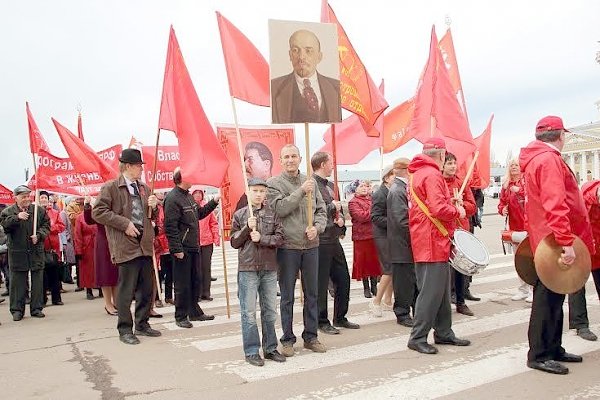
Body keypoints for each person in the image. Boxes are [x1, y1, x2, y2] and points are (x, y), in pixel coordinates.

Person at [519, 115, 594, 375]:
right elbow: (555, 204)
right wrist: (566, 242)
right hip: (553, 241)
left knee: (555, 295)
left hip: (546, 239)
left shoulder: (538, 159)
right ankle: (539, 353)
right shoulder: (548, 160)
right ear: (561, 135)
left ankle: (553, 347)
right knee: (546, 298)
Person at [406, 138, 471, 355]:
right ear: (442, 155)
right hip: (433, 240)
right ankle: (418, 337)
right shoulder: (432, 174)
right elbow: (437, 208)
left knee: (441, 291)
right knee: (431, 292)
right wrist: (457, 211)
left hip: (427, 239)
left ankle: (444, 332)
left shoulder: (417, 173)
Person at [92, 148, 162, 345]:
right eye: (139, 166)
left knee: (146, 288)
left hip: (144, 244)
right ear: (129, 166)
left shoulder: (144, 188)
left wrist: (154, 207)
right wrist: (125, 224)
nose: (141, 169)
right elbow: (99, 212)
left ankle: (142, 323)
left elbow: (152, 218)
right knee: (126, 290)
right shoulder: (111, 187)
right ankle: (124, 329)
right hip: (126, 245)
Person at [267, 144, 328, 356]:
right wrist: (301, 191)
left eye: (294, 156)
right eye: (286, 157)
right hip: (287, 247)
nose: (290, 160)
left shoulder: (310, 182)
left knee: (312, 294)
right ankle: (287, 339)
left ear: (300, 159)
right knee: (287, 296)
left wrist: (317, 227)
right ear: (281, 160)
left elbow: (321, 210)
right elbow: (280, 209)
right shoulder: (273, 184)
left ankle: (311, 336)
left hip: (311, 245)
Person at [231, 178, 286, 366]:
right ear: (248, 192)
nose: (259, 194)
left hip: (269, 268)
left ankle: (270, 348)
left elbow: (280, 238)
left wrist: (262, 238)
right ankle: (252, 351)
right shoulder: (240, 214)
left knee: (270, 310)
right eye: (255, 190)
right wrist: (247, 228)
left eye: (262, 191)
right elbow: (234, 242)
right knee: (248, 312)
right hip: (247, 269)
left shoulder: (273, 214)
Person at [163, 168, 219, 329]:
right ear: (181, 178)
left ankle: (195, 312)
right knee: (182, 283)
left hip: (194, 246)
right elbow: (170, 226)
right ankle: (180, 316)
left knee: (195, 280)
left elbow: (199, 213)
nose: (194, 177)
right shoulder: (172, 198)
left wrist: (213, 201)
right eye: (190, 175)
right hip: (182, 248)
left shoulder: (188, 196)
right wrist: (176, 248)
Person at [312, 151, 359, 335]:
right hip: (320, 239)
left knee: (343, 279)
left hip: (333, 238)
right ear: (323, 164)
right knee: (321, 282)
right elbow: (315, 209)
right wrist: (333, 207)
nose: (333, 166)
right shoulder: (311, 184)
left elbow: (334, 211)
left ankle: (340, 316)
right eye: (331, 163)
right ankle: (321, 320)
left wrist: (340, 222)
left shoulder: (331, 185)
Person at [0, 185, 50, 321]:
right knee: (17, 283)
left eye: (28, 196)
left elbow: (46, 226)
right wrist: (17, 217)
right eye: (23, 197)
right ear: (15, 198)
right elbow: (4, 225)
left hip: (35, 251)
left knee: (37, 281)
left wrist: (39, 235)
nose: (26, 199)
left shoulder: (38, 211)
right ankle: (17, 310)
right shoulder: (8, 211)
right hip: (17, 252)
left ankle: (37, 308)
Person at [271, 29, 341, 124]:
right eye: (295, 50)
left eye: (308, 51)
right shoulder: (274, 88)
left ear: (319, 57)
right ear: (290, 55)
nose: (301, 57)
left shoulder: (336, 87)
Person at [442, 153, 477, 316]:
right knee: (444, 269)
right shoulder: (438, 183)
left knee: (461, 268)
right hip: (443, 230)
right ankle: (445, 301)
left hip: (460, 231)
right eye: (449, 163)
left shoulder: (461, 183)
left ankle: (461, 301)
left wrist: (463, 204)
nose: (453, 166)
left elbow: (472, 207)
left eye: (454, 163)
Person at [386, 158, 417, 326]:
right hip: (402, 244)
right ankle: (402, 314)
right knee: (403, 282)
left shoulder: (401, 188)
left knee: (410, 280)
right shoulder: (398, 190)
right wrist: (416, 233)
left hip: (404, 244)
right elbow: (402, 219)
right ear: (407, 170)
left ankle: (411, 310)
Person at [498, 158, 531, 302]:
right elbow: (501, 204)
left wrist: (520, 191)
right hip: (514, 228)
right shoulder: (506, 185)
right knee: (519, 260)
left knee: (530, 260)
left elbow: (533, 198)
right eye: (511, 165)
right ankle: (523, 289)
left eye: (516, 165)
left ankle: (532, 290)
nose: (514, 167)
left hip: (528, 227)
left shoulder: (526, 181)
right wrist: (502, 209)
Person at [84, 197, 119, 315]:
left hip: (116, 241)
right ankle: (108, 304)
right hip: (103, 243)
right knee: (105, 274)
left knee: (116, 274)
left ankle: (116, 302)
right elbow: (89, 220)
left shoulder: (116, 205)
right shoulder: (99, 208)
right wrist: (87, 205)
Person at [369, 164, 395, 317]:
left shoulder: (391, 191)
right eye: (393, 175)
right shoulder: (380, 193)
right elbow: (375, 217)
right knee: (388, 269)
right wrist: (393, 222)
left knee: (393, 269)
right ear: (386, 178)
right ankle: (376, 302)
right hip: (382, 235)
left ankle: (387, 301)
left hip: (391, 235)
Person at [348, 180, 381, 298]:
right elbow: (361, 216)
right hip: (361, 237)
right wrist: (374, 211)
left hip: (374, 234)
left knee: (374, 262)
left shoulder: (372, 199)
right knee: (363, 263)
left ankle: (374, 286)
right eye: (361, 186)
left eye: (366, 186)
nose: (364, 188)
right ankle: (366, 287)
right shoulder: (353, 202)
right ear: (355, 189)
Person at [192, 189, 220, 301]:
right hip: (194, 242)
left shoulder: (207, 207)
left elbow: (213, 223)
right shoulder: (190, 206)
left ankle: (206, 292)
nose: (198, 195)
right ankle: (197, 293)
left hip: (207, 241)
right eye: (195, 193)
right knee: (196, 268)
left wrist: (216, 237)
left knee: (206, 268)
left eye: (200, 193)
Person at [39, 191, 65, 306]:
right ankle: (42, 299)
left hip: (53, 247)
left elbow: (61, 226)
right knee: (42, 275)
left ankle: (56, 298)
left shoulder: (55, 212)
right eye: (42, 197)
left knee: (54, 273)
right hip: (40, 247)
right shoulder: (36, 213)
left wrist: (51, 227)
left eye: (45, 197)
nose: (44, 199)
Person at [235, 142, 274, 211]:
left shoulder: (278, 190)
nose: (244, 165)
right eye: (244, 160)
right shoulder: (244, 199)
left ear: (266, 164)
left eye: (250, 159)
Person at [74, 197, 98, 301]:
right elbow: (78, 235)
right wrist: (78, 250)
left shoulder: (99, 215)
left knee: (99, 267)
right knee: (87, 269)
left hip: (98, 243)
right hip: (87, 245)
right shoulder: (80, 217)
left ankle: (101, 288)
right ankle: (89, 290)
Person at [153, 192, 173, 306]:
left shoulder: (168, 207)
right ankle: (157, 297)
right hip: (157, 245)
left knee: (171, 272)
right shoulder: (151, 209)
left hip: (169, 243)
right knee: (159, 273)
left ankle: (169, 296)